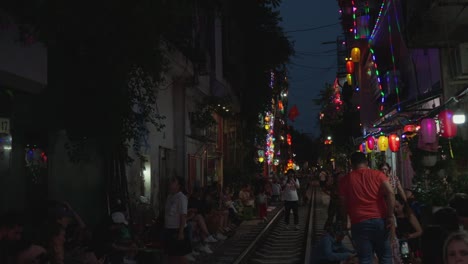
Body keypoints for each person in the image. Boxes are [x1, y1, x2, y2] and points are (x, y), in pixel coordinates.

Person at [339, 152, 395, 264]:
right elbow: (390, 192)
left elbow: (342, 203)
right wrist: (390, 215)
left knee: (365, 258)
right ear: (366, 162)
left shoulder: (345, 180)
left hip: (359, 222)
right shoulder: (378, 175)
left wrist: (345, 221)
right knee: (385, 256)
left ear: (352, 164)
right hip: (380, 220)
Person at [163, 176, 191, 264]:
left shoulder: (181, 197)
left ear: (179, 185)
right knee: (170, 255)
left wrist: (181, 232)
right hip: (169, 229)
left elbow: (183, 215)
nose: (171, 183)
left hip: (177, 229)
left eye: (173, 181)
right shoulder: (169, 197)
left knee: (179, 256)